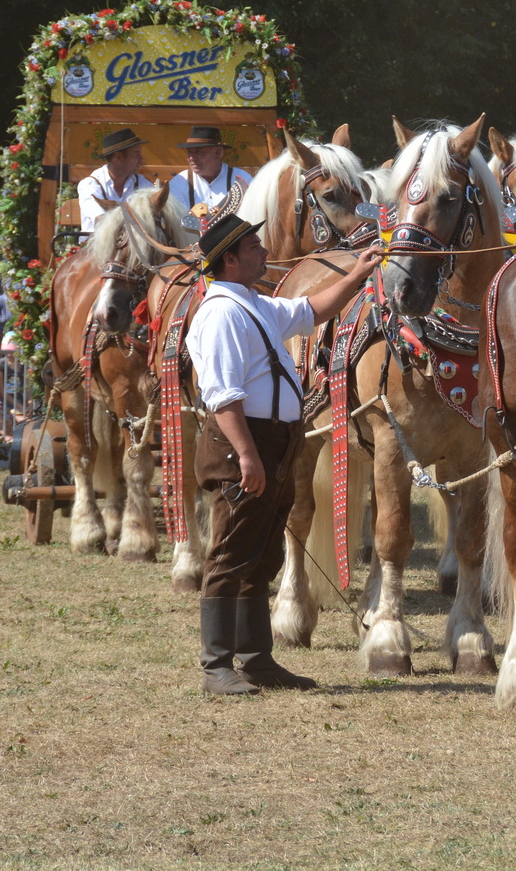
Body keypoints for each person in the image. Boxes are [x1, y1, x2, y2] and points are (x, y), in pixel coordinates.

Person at [185, 210, 380, 695]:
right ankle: (217, 666)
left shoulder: (251, 303)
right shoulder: (222, 313)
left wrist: (357, 274)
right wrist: (247, 456)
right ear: (229, 259)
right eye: (253, 247)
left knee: (263, 554)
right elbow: (223, 396)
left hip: (272, 441)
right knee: (231, 555)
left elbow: (312, 310)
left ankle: (256, 658)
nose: (264, 252)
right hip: (244, 444)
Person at [167, 127, 253, 231]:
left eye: (199, 152)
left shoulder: (242, 179)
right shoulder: (178, 183)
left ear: (217, 153)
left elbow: (251, 214)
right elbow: (178, 225)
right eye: (189, 152)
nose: (192, 158)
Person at [77, 128, 155, 233]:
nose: (141, 159)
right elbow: (100, 220)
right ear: (118, 156)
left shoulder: (141, 182)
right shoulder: (90, 185)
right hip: (95, 247)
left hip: (132, 247)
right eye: (136, 154)